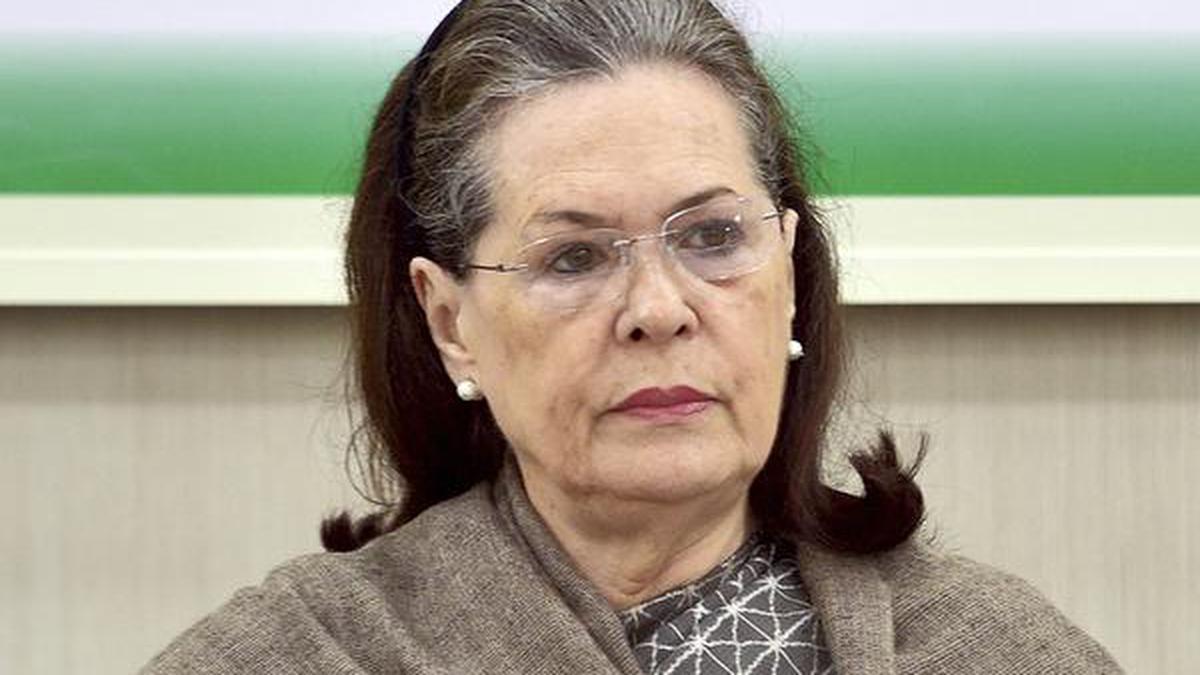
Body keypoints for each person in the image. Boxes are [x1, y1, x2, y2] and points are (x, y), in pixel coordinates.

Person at [144, 1, 1123, 673]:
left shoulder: (987, 646)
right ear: (451, 324)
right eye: (573, 257)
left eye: (712, 237)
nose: (659, 308)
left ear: (788, 278)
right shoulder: (315, 650)